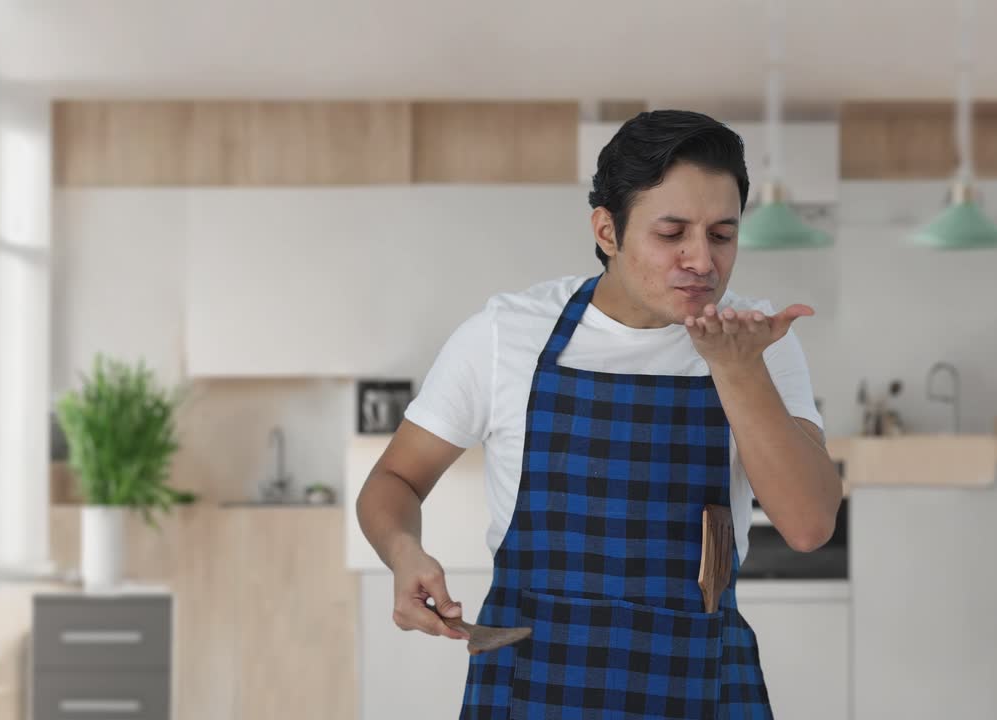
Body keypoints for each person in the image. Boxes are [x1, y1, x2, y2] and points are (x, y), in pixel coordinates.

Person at [355, 109, 842, 719]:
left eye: (722, 235)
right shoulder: (507, 335)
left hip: (697, 682)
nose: (702, 260)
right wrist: (404, 552)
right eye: (672, 233)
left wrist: (737, 368)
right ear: (607, 231)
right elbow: (393, 479)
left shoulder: (755, 341)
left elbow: (808, 526)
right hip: (531, 684)